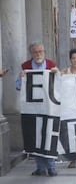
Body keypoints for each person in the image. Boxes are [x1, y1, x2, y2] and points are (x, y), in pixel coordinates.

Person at [17, 41, 59, 176]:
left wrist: (57, 73)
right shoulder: (26, 67)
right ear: (31, 54)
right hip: (33, 109)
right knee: (35, 138)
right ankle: (40, 167)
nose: (38, 54)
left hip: (48, 108)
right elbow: (18, 87)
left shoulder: (52, 65)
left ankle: (51, 167)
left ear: (44, 52)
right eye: (36, 52)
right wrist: (21, 78)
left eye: (41, 51)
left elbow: (60, 85)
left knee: (48, 137)